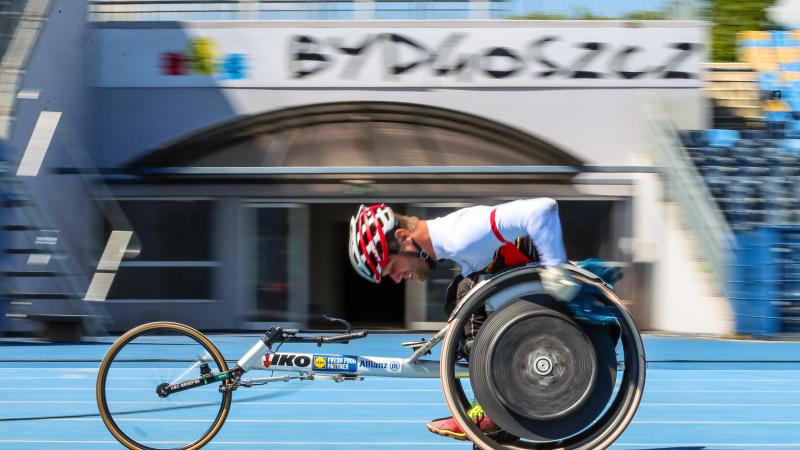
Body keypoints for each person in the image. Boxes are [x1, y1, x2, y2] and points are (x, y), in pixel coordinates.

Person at [348, 198, 569, 441]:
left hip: (549, 315)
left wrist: (556, 270)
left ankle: (494, 410)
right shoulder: (456, 247)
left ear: (403, 238)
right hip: (528, 315)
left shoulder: (462, 233)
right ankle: (491, 409)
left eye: (391, 267)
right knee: (457, 295)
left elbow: (543, 208)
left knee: (466, 292)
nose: (398, 278)